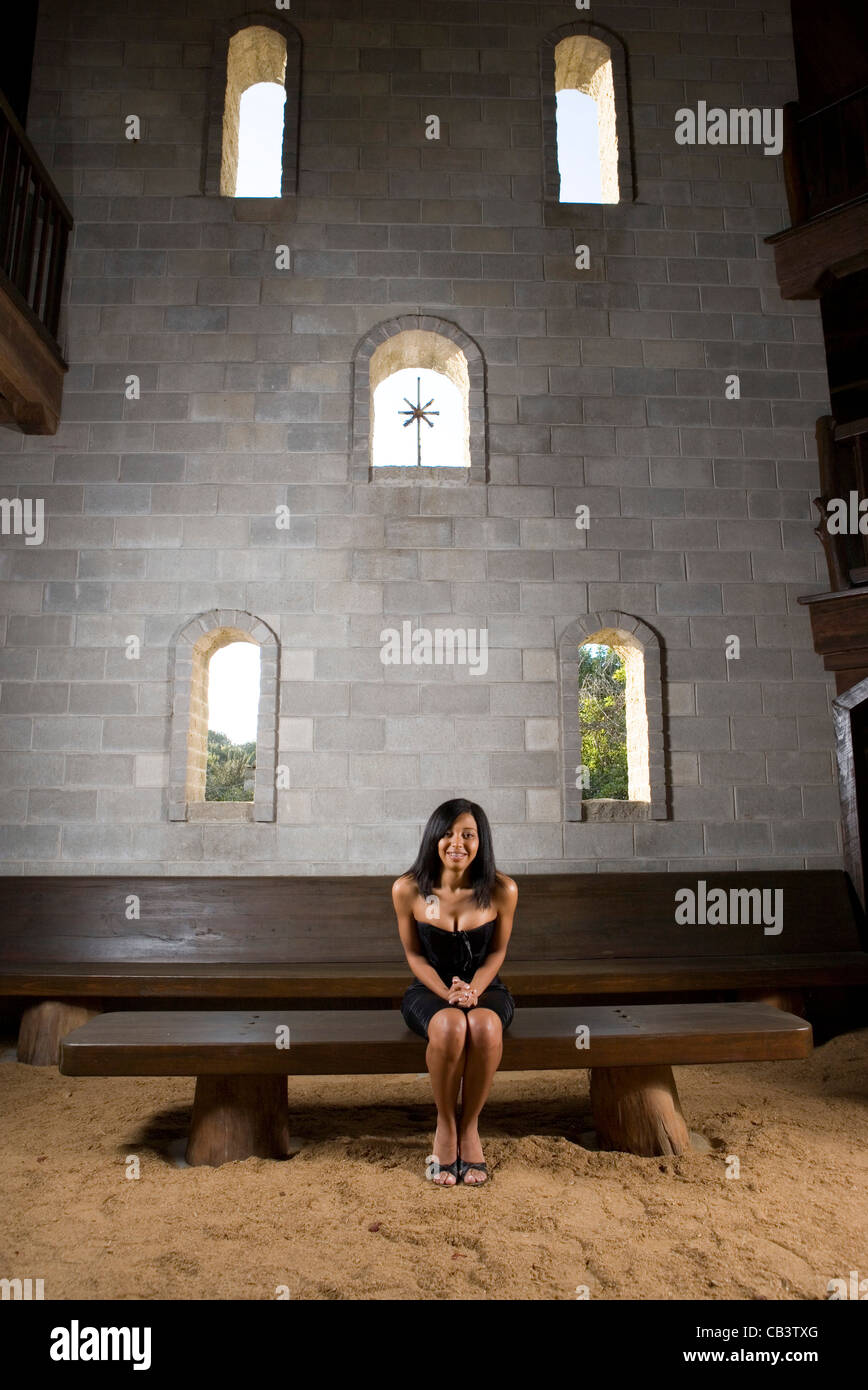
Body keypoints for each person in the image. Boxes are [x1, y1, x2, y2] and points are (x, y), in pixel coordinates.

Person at [392, 799, 517, 1187]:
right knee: (449, 1027)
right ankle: (445, 1126)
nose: (456, 843)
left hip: (486, 988)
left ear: (481, 841)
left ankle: (471, 1127)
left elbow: (497, 950)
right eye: (447, 833)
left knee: (483, 1027)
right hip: (429, 989)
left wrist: (474, 990)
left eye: (467, 834)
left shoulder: (502, 890)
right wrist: (448, 992)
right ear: (434, 838)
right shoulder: (407, 889)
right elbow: (414, 954)